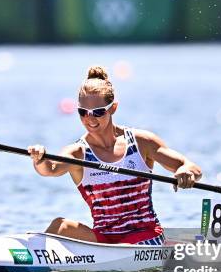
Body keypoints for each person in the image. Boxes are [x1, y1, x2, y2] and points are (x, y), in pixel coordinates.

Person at [28, 65, 202, 245]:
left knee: (125, 247)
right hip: (105, 240)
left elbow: (190, 166)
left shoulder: (141, 142)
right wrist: (39, 158)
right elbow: (49, 169)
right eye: (83, 112)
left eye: (98, 112)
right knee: (60, 226)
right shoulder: (78, 153)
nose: (90, 119)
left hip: (145, 234)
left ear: (113, 108)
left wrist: (186, 172)